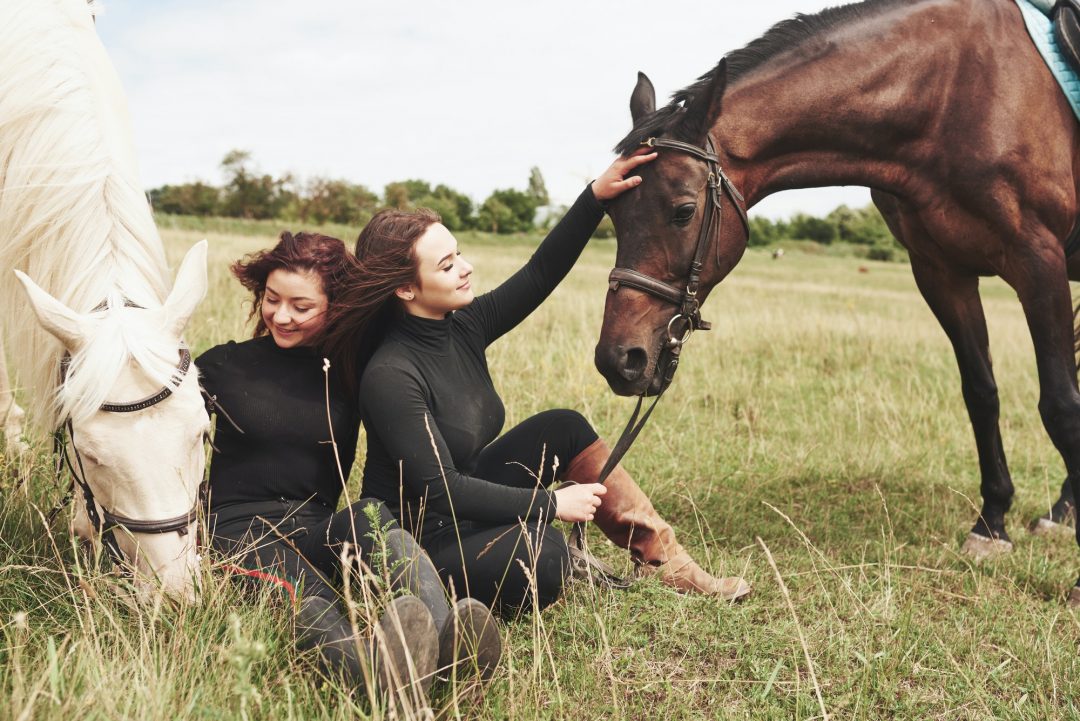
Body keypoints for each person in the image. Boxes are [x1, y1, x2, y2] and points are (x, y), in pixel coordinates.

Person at [322, 152, 751, 617]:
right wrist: (551, 503)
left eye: (459, 253)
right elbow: (442, 490)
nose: (465, 268)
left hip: (468, 511)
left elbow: (539, 275)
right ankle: (440, 601)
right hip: (420, 541)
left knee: (563, 426)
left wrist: (594, 199)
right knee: (544, 554)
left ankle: (667, 562)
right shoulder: (391, 374)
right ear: (405, 289)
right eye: (446, 265)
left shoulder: (463, 324)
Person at [196, 231, 501, 701]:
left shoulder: (350, 370)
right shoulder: (221, 366)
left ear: (335, 307)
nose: (281, 315)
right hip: (236, 534)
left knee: (373, 518)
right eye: (272, 300)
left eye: (301, 306)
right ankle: (376, 680)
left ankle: (449, 647)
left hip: (315, 524)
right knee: (307, 593)